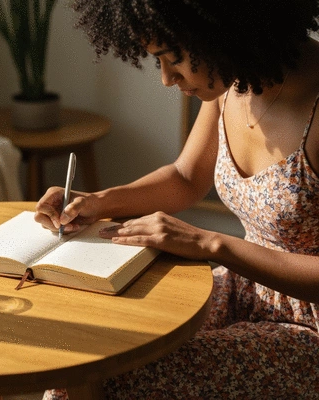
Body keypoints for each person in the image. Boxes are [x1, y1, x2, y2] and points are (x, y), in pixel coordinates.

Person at [35, 0, 319, 398]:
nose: (168, 79)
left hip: (311, 329)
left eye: (174, 59)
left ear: (223, 30)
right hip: (247, 288)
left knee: (111, 379)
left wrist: (210, 243)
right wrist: (97, 201)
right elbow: (186, 177)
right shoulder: (234, 81)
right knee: (84, 356)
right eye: (158, 62)